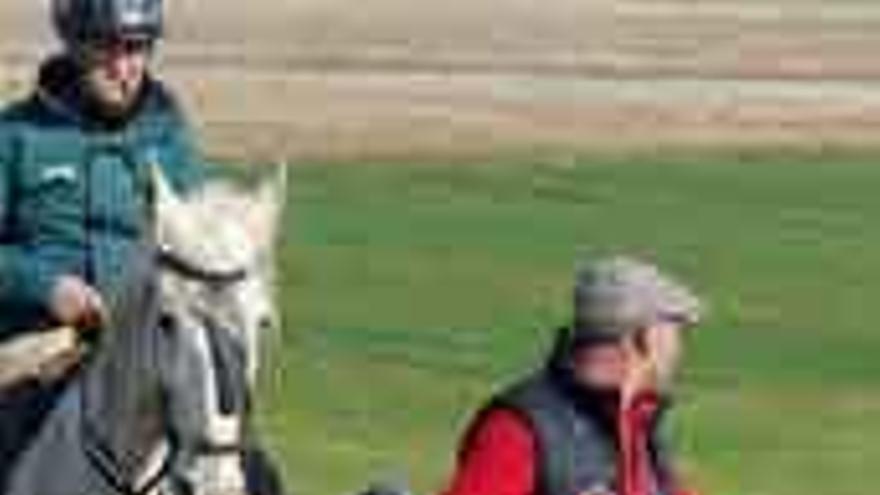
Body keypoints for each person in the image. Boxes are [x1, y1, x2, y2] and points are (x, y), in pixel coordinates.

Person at [0, 2, 283, 493]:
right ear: (72, 44)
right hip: (35, 356)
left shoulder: (169, 138)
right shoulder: (15, 137)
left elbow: (198, 243)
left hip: (146, 357)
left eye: (136, 49)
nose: (123, 66)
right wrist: (46, 287)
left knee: (257, 476)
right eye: (106, 48)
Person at [441, 257, 703, 495]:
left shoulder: (640, 430)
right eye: (673, 333)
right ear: (645, 338)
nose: (678, 349)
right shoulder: (517, 430)